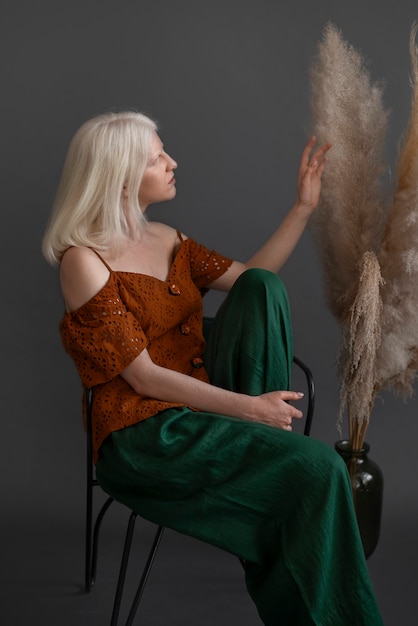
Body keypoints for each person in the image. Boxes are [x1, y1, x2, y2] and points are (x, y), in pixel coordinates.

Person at [42, 110, 382, 625]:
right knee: (318, 472)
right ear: (120, 174)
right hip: (146, 434)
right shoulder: (84, 261)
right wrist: (249, 408)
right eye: (158, 157)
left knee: (262, 288)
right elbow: (143, 379)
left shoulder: (168, 239)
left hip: (205, 404)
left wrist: (302, 208)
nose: (172, 162)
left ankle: (271, 450)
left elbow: (254, 281)